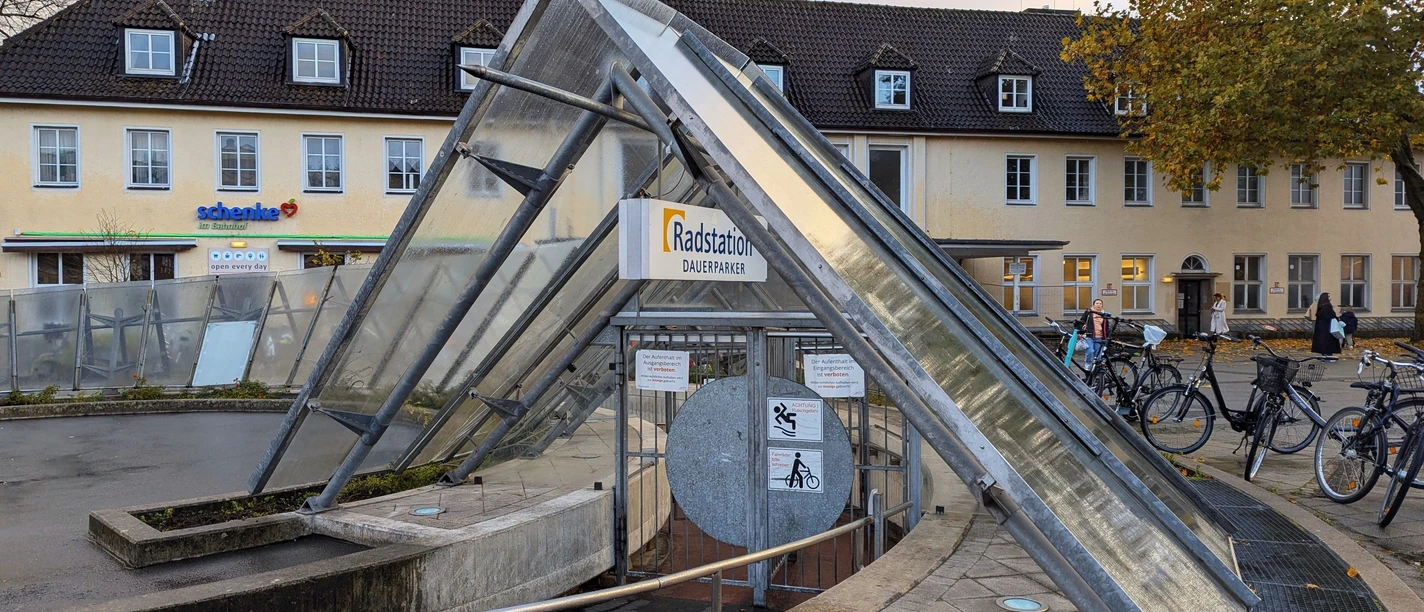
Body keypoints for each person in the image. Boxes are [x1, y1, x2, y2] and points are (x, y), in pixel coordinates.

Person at [1076, 298, 1111, 370]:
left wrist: (1107, 336)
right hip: (1089, 336)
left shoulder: (1104, 315)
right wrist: (1081, 330)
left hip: (1100, 337)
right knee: (1090, 351)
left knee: (1098, 353)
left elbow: (1106, 326)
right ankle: (1087, 364)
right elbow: (1082, 321)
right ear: (1093, 305)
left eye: (1100, 304)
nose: (1098, 305)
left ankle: (1097, 367)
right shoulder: (1089, 313)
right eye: (1097, 303)